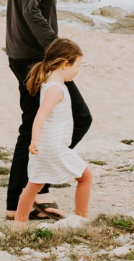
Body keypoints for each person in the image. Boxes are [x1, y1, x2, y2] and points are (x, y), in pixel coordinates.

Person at [4, 0, 92, 221]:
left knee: (34, 124)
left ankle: (27, 196)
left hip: (30, 52)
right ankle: (32, 191)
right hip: (32, 56)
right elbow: (31, 11)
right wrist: (58, 52)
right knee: (77, 117)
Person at [14, 37, 93, 225]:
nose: (78, 70)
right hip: (53, 145)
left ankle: (19, 224)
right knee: (86, 177)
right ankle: (81, 219)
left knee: (34, 185)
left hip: (46, 145)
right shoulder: (56, 89)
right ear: (65, 64)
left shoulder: (49, 82)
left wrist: (36, 142)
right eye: (78, 65)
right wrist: (34, 141)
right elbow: (40, 116)